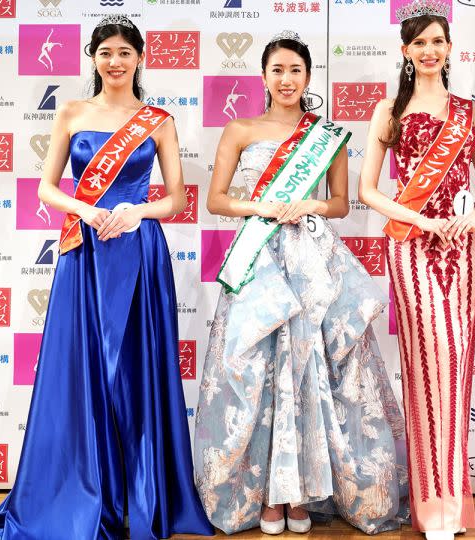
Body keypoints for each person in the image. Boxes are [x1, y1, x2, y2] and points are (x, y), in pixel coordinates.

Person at [0, 15, 213, 540]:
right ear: (93, 57)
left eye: (126, 52)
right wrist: (83, 209)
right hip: (84, 252)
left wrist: (139, 212)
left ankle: (143, 496)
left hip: (139, 251)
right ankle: (85, 494)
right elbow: (46, 188)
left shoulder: (158, 120)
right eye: (106, 52)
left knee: (136, 372)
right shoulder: (72, 112)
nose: (116, 61)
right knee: (82, 371)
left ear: (140, 58)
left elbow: (174, 198)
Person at [192, 30, 409, 536]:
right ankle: (269, 495)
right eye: (277, 70)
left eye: (295, 70)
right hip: (258, 259)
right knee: (258, 372)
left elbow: (339, 203)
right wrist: (260, 207)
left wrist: (308, 205)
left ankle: (304, 492)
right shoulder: (240, 128)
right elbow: (216, 200)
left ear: (308, 77)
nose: (286, 79)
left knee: (312, 371)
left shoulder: (327, 135)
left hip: (312, 260)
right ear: (263, 77)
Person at [357, 2, 475, 538]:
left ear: (450, 47)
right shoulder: (386, 111)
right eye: (419, 43)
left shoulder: (468, 110)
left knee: (456, 368)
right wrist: (419, 217)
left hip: (461, 247)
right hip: (411, 245)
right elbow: (370, 190)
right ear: (405, 51)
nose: (430, 51)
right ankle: (432, 506)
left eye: (438, 41)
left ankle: (454, 503)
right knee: (426, 365)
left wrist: (472, 217)